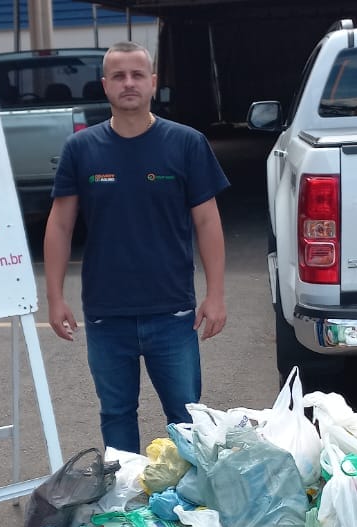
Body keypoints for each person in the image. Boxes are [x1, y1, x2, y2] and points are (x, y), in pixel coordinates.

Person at [43, 41, 230, 454]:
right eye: (119, 76)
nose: (128, 83)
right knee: (116, 414)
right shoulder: (81, 149)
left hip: (172, 313)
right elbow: (59, 225)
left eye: (137, 75)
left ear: (153, 82)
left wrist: (215, 295)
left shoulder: (186, 143)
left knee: (186, 419)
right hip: (107, 316)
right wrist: (54, 298)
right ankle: (124, 493)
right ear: (105, 85)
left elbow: (207, 222)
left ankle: (188, 493)